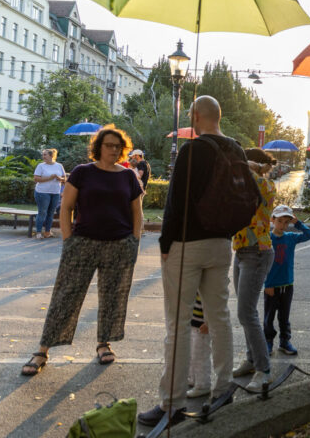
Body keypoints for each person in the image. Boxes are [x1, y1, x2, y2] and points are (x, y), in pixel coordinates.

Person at [139, 96, 239, 428]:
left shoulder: (191, 150)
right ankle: (224, 389)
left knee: (178, 324)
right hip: (221, 245)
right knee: (220, 316)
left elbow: (175, 200)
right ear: (219, 116)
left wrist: (165, 243)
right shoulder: (235, 150)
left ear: (197, 116)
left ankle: (172, 403)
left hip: (187, 244)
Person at [21, 126, 143, 377]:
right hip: (82, 243)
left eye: (118, 146)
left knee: (112, 298)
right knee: (65, 296)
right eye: (109, 145)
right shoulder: (82, 172)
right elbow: (66, 208)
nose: (114, 149)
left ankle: (103, 343)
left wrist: (134, 241)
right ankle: (42, 350)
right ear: (98, 147)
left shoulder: (128, 176)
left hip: (119, 245)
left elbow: (137, 213)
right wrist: (69, 240)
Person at [231, 148, 277, 391]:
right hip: (241, 250)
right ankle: (251, 360)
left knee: (246, 313)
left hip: (257, 252)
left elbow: (252, 179)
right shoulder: (246, 183)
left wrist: (246, 165)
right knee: (245, 312)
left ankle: (264, 370)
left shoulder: (266, 185)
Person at [263, 205, 310, 356]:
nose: (283, 225)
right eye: (279, 221)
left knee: (284, 316)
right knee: (269, 316)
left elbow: (309, 234)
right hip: (272, 286)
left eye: (286, 222)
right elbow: (261, 264)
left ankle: (285, 341)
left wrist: (298, 223)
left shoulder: (291, 237)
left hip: (288, 284)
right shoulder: (267, 238)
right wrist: (267, 284)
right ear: (272, 220)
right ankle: (268, 341)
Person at [33, 148, 66, 240]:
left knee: (51, 213)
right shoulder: (41, 166)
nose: (43, 156)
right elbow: (36, 179)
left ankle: (47, 232)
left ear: (52, 156)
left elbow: (65, 179)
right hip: (42, 192)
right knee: (42, 212)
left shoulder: (59, 166)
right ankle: (38, 232)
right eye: (43, 154)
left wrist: (60, 179)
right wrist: (50, 178)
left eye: (45, 155)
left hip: (55, 193)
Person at [186, 294, 212, 399]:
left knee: (200, 355)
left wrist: (208, 322)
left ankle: (203, 384)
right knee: (192, 354)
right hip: (193, 323)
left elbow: (211, 302)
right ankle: (193, 378)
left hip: (202, 326)